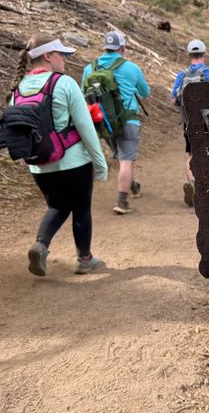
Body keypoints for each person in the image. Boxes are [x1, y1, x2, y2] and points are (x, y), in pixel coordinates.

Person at [12, 34, 109, 276]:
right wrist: (100, 163)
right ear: (47, 56)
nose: (64, 59)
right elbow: (86, 127)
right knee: (81, 208)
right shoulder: (64, 83)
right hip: (74, 161)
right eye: (61, 54)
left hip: (39, 165)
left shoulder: (19, 87)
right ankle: (85, 259)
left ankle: (41, 245)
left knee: (57, 206)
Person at [82, 31, 150, 215]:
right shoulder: (132, 68)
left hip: (104, 123)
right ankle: (122, 201)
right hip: (128, 120)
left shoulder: (90, 69)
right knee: (126, 159)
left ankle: (133, 186)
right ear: (122, 48)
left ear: (105, 47)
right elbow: (145, 92)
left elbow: (83, 95)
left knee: (121, 157)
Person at [171, 39, 209, 206]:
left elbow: (174, 99)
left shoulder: (182, 76)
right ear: (205, 55)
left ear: (189, 55)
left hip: (190, 123)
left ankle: (194, 185)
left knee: (192, 155)